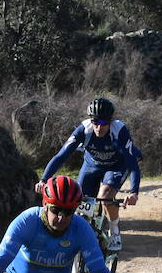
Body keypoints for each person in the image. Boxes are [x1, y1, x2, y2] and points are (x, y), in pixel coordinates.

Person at [39, 96, 141, 252]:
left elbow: (132, 164)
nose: (99, 128)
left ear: (110, 121)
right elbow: (61, 156)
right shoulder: (84, 130)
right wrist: (44, 179)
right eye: (95, 122)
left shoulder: (119, 131)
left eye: (103, 123)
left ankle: (114, 230)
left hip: (116, 166)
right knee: (78, 203)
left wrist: (134, 192)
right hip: (91, 166)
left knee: (105, 196)